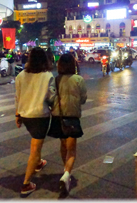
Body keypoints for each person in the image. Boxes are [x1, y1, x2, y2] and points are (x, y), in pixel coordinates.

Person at [15, 47, 56, 195]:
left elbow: (18, 97)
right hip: (40, 116)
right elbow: (51, 98)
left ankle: (38, 163)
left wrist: (17, 116)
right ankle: (26, 184)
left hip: (26, 116)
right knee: (35, 148)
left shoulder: (20, 76)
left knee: (36, 142)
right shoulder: (47, 76)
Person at [47, 53, 87, 194]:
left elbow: (50, 98)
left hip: (58, 117)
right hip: (72, 118)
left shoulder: (55, 79)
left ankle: (66, 171)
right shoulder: (79, 80)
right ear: (73, 65)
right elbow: (83, 99)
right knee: (71, 150)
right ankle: (66, 174)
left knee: (63, 145)